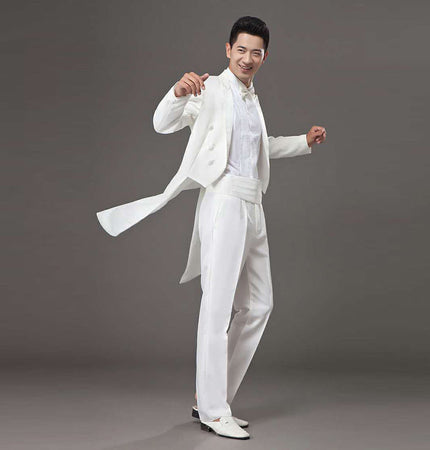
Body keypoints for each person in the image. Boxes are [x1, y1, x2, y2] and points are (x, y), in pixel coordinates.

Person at [96, 15, 326, 440]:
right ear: (228, 50)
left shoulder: (252, 98)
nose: (247, 58)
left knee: (259, 305)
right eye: (241, 50)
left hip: (254, 204)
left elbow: (259, 147)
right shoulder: (211, 89)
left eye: (256, 52)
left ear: (264, 56)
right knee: (217, 307)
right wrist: (177, 92)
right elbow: (162, 122)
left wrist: (302, 143)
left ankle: (210, 398)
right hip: (224, 201)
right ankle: (214, 410)